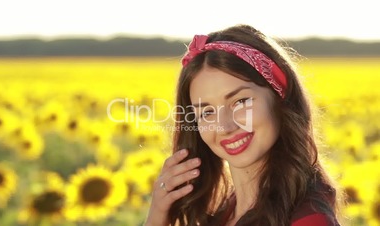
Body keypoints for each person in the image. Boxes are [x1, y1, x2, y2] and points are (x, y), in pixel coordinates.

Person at [144, 24, 343, 226]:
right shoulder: (223, 214)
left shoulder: (309, 220)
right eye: (207, 112)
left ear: (279, 95)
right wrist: (157, 217)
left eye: (241, 102)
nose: (225, 126)